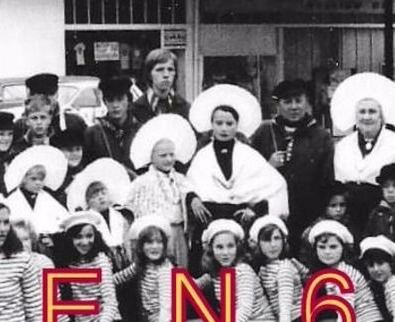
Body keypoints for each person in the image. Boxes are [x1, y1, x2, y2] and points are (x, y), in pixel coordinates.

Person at [188, 87, 289, 243]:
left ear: (237, 125)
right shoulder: (202, 157)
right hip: (209, 222)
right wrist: (193, 198)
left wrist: (254, 208)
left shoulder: (248, 155)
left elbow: (275, 186)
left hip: (240, 223)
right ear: (211, 124)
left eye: (229, 123)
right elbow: (189, 185)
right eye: (219, 123)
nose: (224, 128)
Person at [327, 73, 395, 235]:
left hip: (381, 215)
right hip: (348, 215)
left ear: (382, 116)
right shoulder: (342, 146)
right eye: (362, 112)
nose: (366, 117)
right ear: (355, 116)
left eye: (372, 112)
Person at [248, 79, 334, 235]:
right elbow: (248, 174)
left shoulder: (321, 136)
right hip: (270, 216)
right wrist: (268, 166)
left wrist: (321, 216)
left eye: (298, 101)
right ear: (278, 105)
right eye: (287, 102)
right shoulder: (264, 132)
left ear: (306, 102)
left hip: (308, 215)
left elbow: (327, 179)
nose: (294, 107)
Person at [125, 115, 195, 265]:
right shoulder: (142, 182)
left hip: (178, 233)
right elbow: (130, 208)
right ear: (151, 156)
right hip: (156, 235)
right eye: (163, 156)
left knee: (180, 271)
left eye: (171, 155)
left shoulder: (181, 180)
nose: (168, 159)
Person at [50, 212, 118, 322]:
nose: (85, 242)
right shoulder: (65, 263)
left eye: (89, 236)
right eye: (78, 237)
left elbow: (110, 302)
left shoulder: (101, 260)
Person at [83, 75, 140, 171]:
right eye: (110, 100)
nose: (115, 105)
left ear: (128, 100)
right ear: (105, 102)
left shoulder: (140, 131)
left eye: (120, 99)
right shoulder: (93, 133)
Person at [130, 48, 186, 123]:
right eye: (160, 69)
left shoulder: (184, 108)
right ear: (149, 74)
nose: (166, 75)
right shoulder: (134, 110)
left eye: (170, 69)